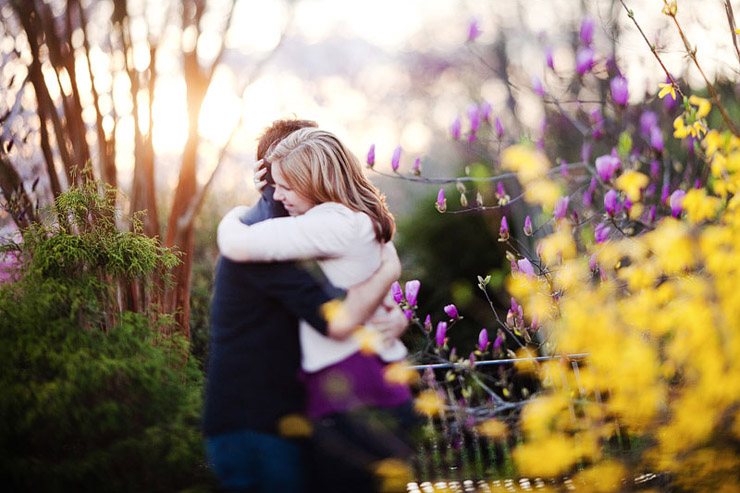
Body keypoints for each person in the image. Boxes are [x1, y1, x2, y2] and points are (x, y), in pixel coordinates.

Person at [203, 119, 408, 493]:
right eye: (278, 182)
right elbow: (339, 319)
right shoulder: (270, 239)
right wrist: (388, 272)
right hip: (257, 425)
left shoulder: (307, 230)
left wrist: (390, 312)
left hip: (300, 416)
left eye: (290, 182)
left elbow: (343, 299)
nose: (281, 194)